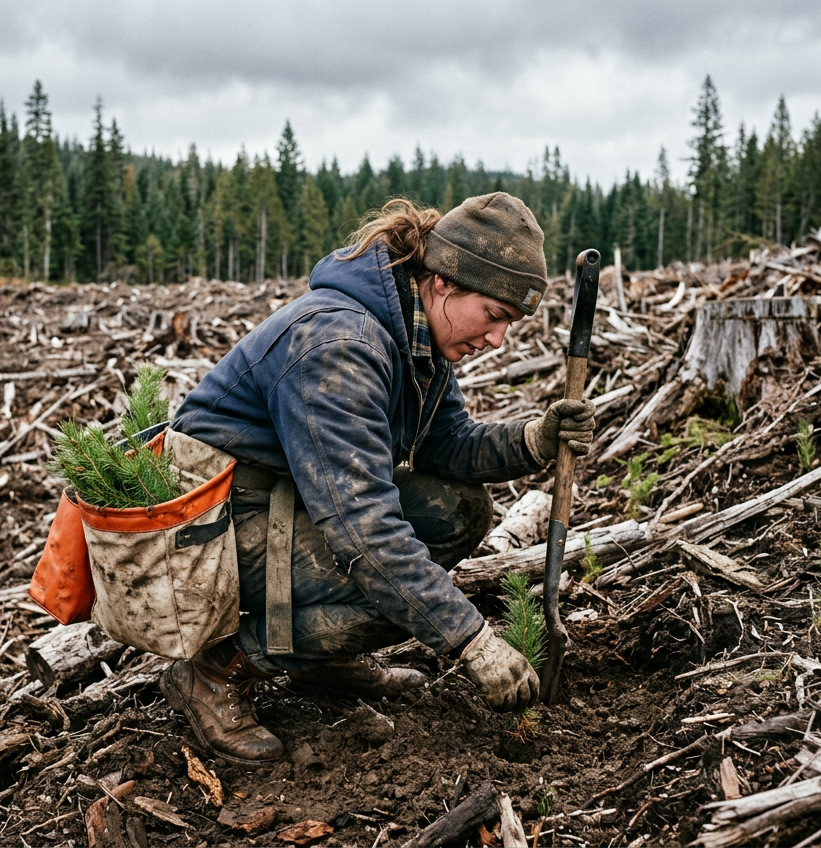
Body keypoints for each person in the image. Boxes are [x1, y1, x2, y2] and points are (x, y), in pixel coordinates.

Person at [162, 193, 596, 765]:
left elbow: (446, 445)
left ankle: (316, 655)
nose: (498, 340)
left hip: (283, 503)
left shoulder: (417, 335)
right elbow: (365, 531)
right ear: (444, 282)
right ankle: (217, 670)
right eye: (494, 316)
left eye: (509, 324)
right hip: (209, 533)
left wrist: (532, 440)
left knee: (457, 510)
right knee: (384, 576)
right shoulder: (340, 346)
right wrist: (471, 639)